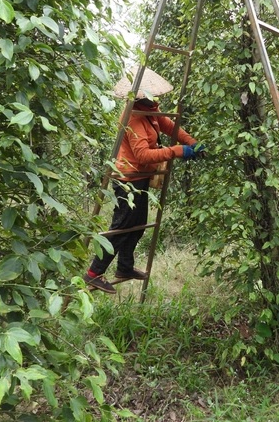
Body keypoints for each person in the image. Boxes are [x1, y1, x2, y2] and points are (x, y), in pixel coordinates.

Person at [85, 68, 205, 294]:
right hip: (127, 178)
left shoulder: (150, 111)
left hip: (140, 178)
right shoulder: (133, 117)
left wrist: (193, 143)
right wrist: (178, 151)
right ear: (140, 97)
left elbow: (169, 126)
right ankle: (93, 273)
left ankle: (124, 267)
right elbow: (142, 155)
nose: (155, 100)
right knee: (121, 228)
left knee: (138, 226)